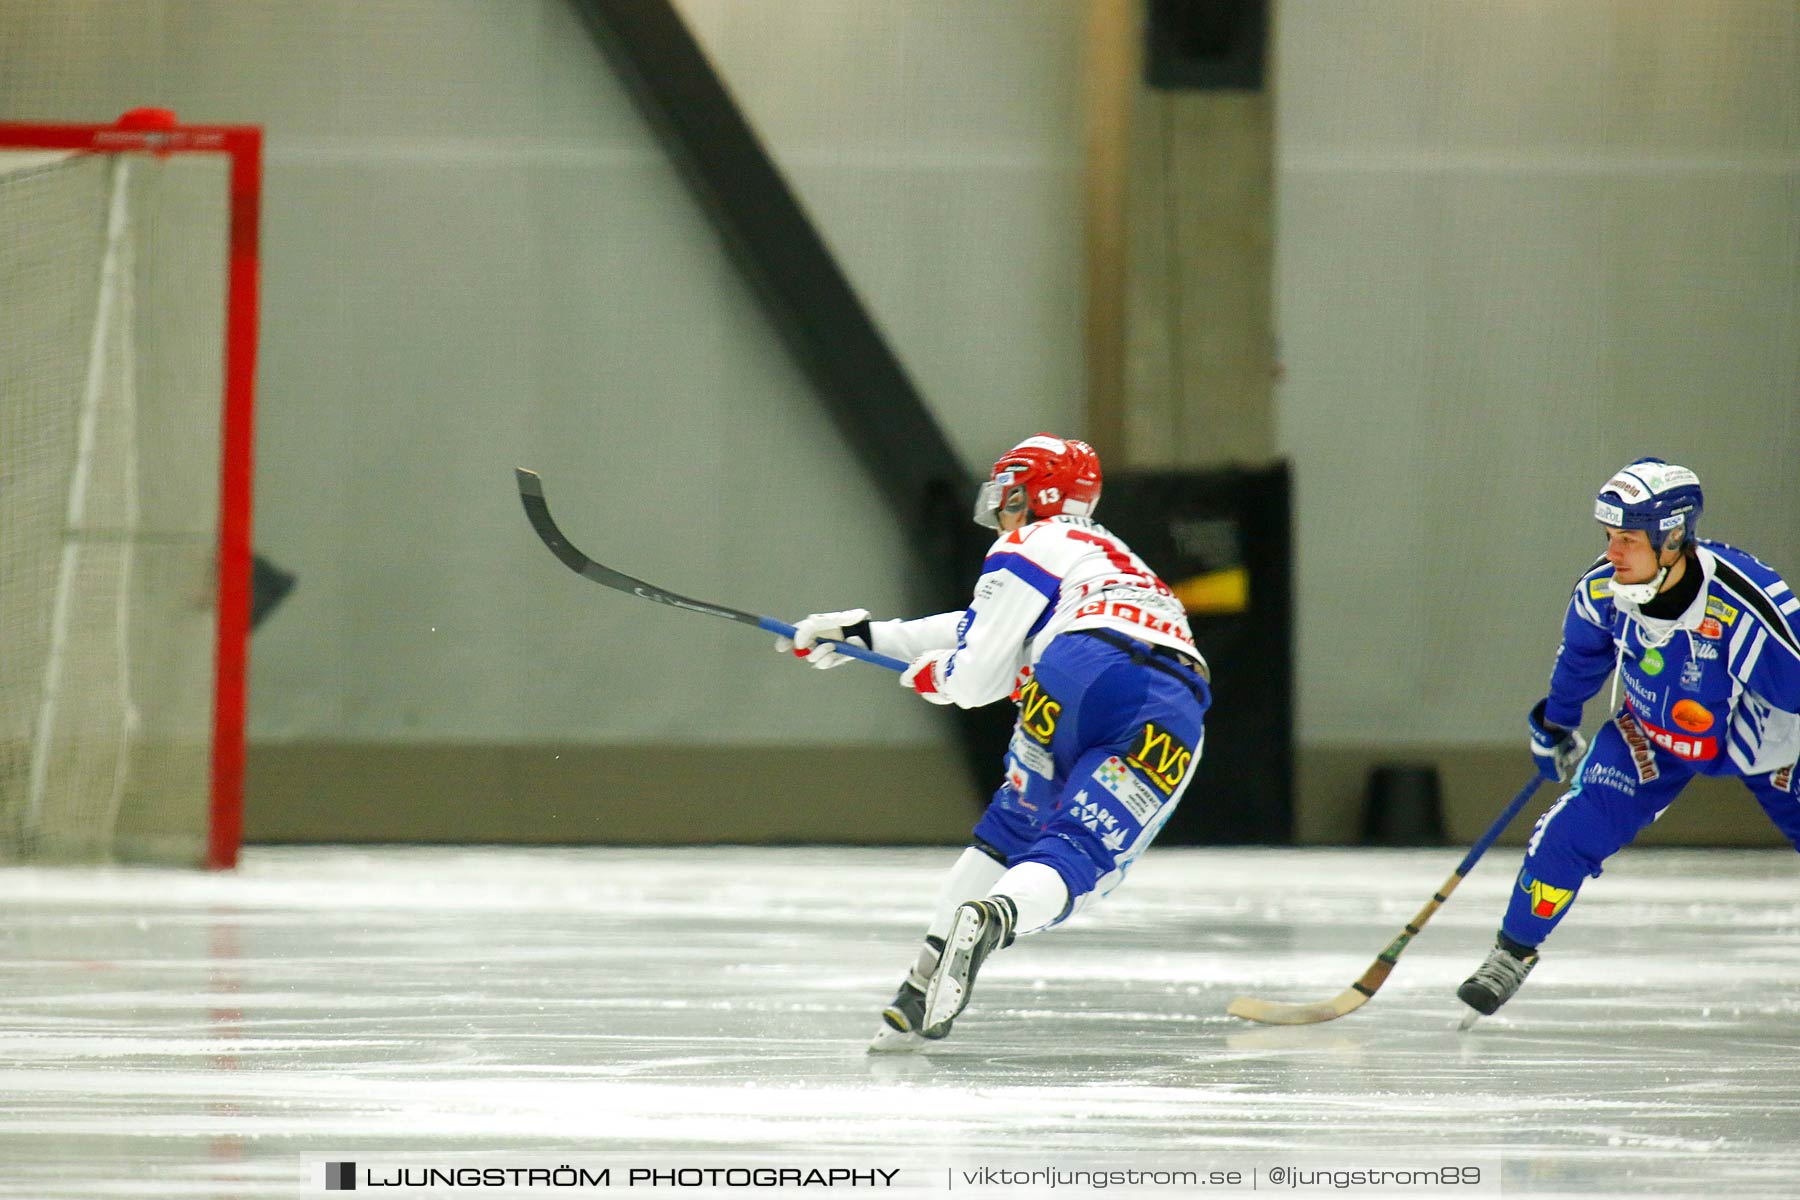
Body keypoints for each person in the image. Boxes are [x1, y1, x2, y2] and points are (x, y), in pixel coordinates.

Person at [776, 434, 1212, 1051]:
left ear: (1037, 496)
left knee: (1012, 826)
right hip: (1162, 699)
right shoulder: (1109, 556)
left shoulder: (1026, 542)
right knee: (1079, 849)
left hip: (1065, 676)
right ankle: (993, 918)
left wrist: (940, 676)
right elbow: (982, 630)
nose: (1000, 512)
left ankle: (921, 984)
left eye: (1008, 495)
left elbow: (977, 671)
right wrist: (865, 635)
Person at [1459, 458, 1800, 1020]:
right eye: (1609, 536)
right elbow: (1581, 657)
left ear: (1671, 540)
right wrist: (1558, 721)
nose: (1612, 552)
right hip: (1653, 731)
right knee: (1572, 830)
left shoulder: (1745, 607)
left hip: (1764, 741)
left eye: (1627, 539)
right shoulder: (1602, 589)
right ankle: (1510, 954)